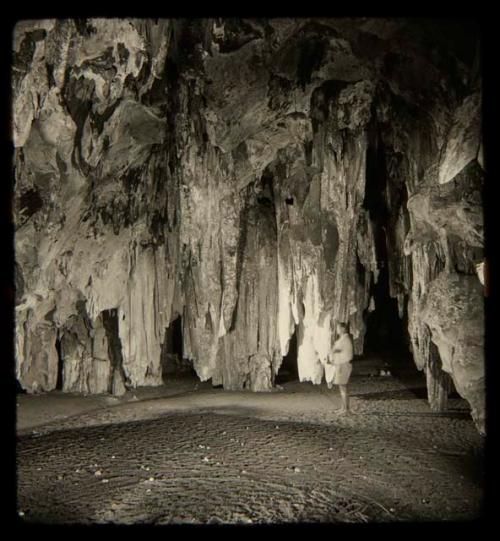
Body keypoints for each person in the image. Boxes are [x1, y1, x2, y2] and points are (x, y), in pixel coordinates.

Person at [327, 322, 353, 413]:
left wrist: (331, 351)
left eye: (338, 328)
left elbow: (335, 350)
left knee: (343, 388)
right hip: (341, 364)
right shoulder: (343, 339)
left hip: (343, 365)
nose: (337, 330)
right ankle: (343, 407)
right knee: (342, 388)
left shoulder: (344, 340)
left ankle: (345, 409)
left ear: (343, 329)